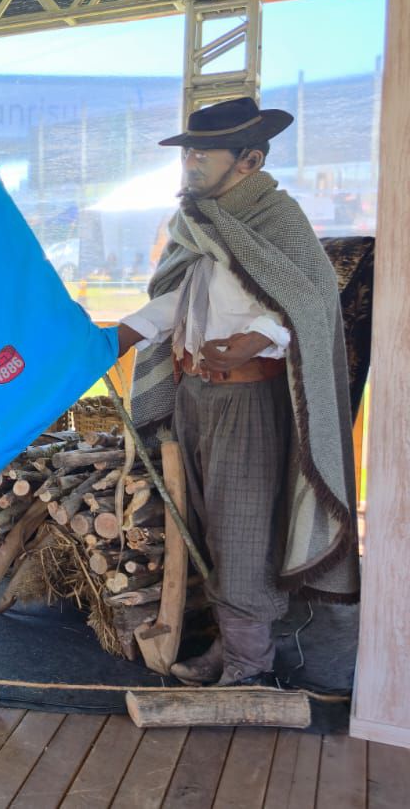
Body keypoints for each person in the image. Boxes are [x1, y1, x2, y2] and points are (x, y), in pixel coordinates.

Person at [115, 97, 358, 687]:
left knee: (241, 527)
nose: (191, 161)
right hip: (194, 394)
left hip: (248, 401)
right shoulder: (196, 221)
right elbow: (180, 298)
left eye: (204, 152)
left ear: (247, 160)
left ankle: (249, 664)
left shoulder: (278, 219)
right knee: (204, 522)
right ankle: (231, 645)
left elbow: (312, 304)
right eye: (188, 151)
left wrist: (260, 340)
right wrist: (123, 333)